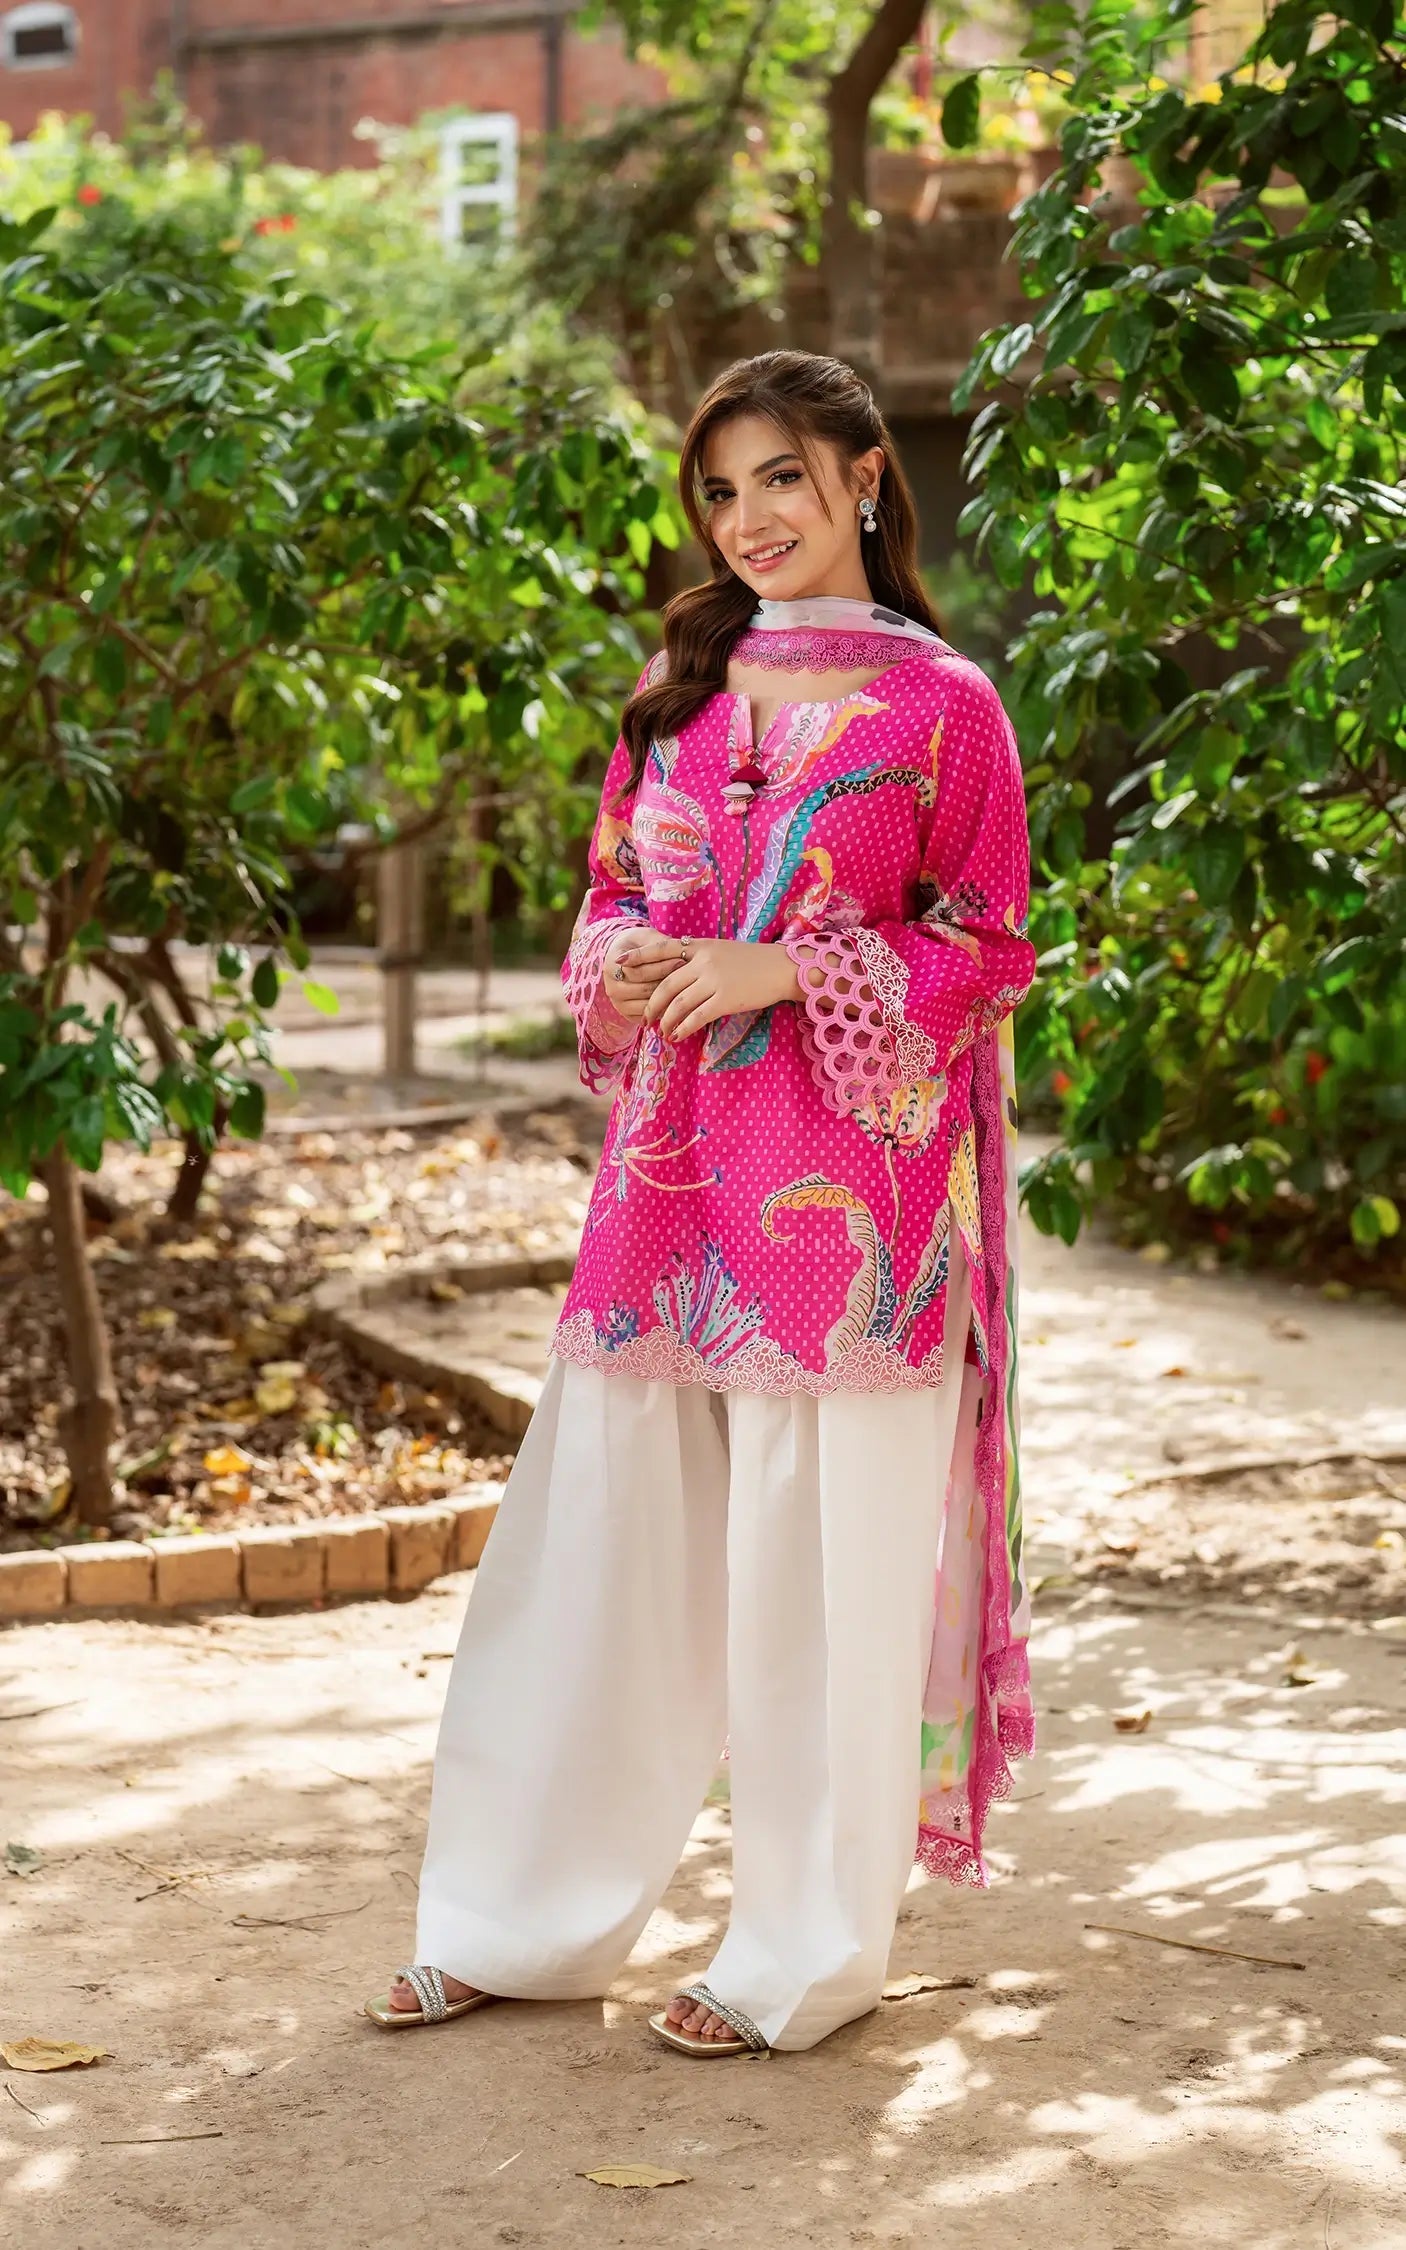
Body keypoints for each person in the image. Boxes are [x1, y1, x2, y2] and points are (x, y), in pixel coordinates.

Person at [365, 348, 1038, 2057]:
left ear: (866, 478)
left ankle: (797, 1956)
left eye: (782, 478)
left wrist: (778, 965)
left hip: (854, 1208)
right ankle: (512, 1918)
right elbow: (606, 899)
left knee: (817, 1586)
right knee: (593, 1560)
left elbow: (987, 947)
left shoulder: (944, 705)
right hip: (666, 1187)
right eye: (721, 490)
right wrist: (624, 958)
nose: (748, 519)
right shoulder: (677, 690)